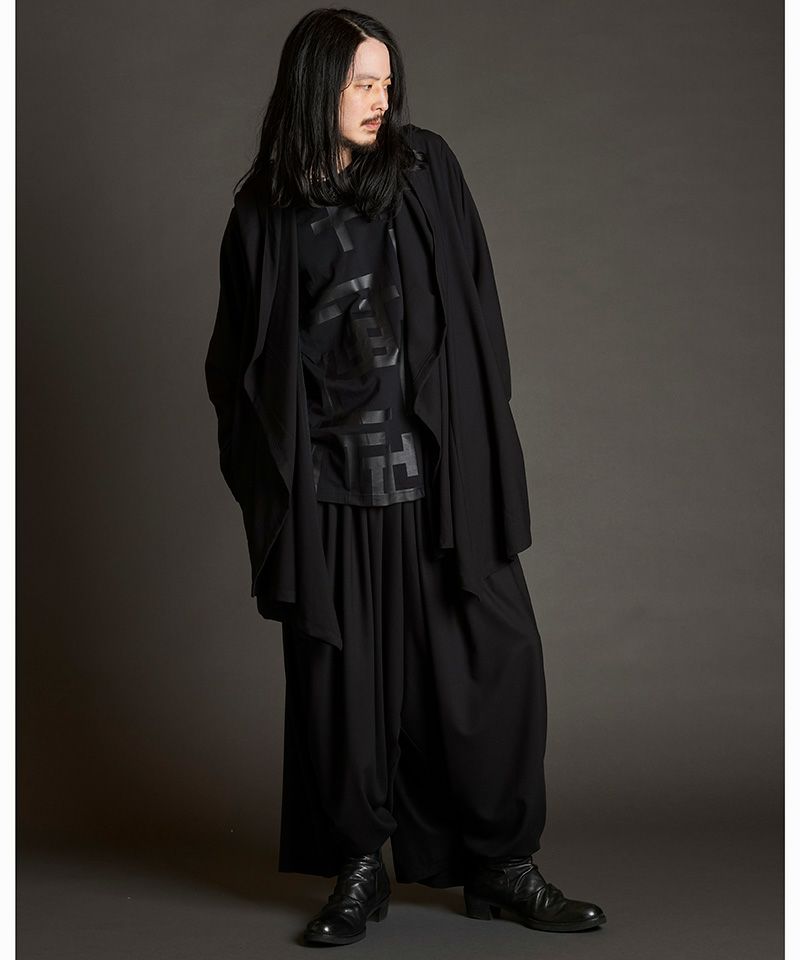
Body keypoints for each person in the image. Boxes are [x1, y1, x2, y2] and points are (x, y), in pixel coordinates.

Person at [204, 6, 606, 947]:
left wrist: (479, 439)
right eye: (361, 82)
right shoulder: (262, 212)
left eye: (387, 82)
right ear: (316, 86)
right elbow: (239, 366)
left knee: (494, 664)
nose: (380, 99)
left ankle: (501, 866)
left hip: (442, 482)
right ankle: (358, 868)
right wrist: (283, 476)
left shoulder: (428, 169)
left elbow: (477, 306)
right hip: (333, 490)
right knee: (343, 688)